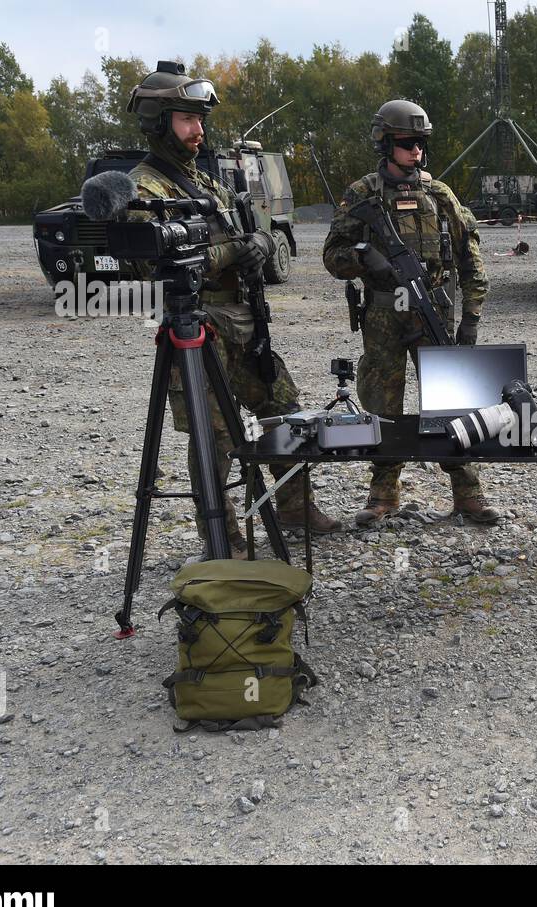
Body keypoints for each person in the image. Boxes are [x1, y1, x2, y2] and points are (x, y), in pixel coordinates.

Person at [124, 62, 339, 556]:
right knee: (214, 436)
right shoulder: (146, 189)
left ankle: (293, 505)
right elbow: (148, 268)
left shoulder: (205, 181)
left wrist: (261, 241)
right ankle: (221, 533)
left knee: (285, 410)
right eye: (187, 120)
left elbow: (249, 227)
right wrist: (231, 253)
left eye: (200, 120)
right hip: (199, 330)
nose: (198, 130)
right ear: (160, 122)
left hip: (246, 325)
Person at [322, 99, 500, 527]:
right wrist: (368, 259)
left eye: (421, 142)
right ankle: (384, 493)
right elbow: (333, 256)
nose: (416, 151)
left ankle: (467, 491)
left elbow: (471, 259)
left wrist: (472, 318)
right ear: (385, 144)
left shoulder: (440, 195)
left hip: (433, 310)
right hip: (383, 315)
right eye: (406, 143)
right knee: (384, 405)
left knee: (451, 401)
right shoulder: (362, 194)